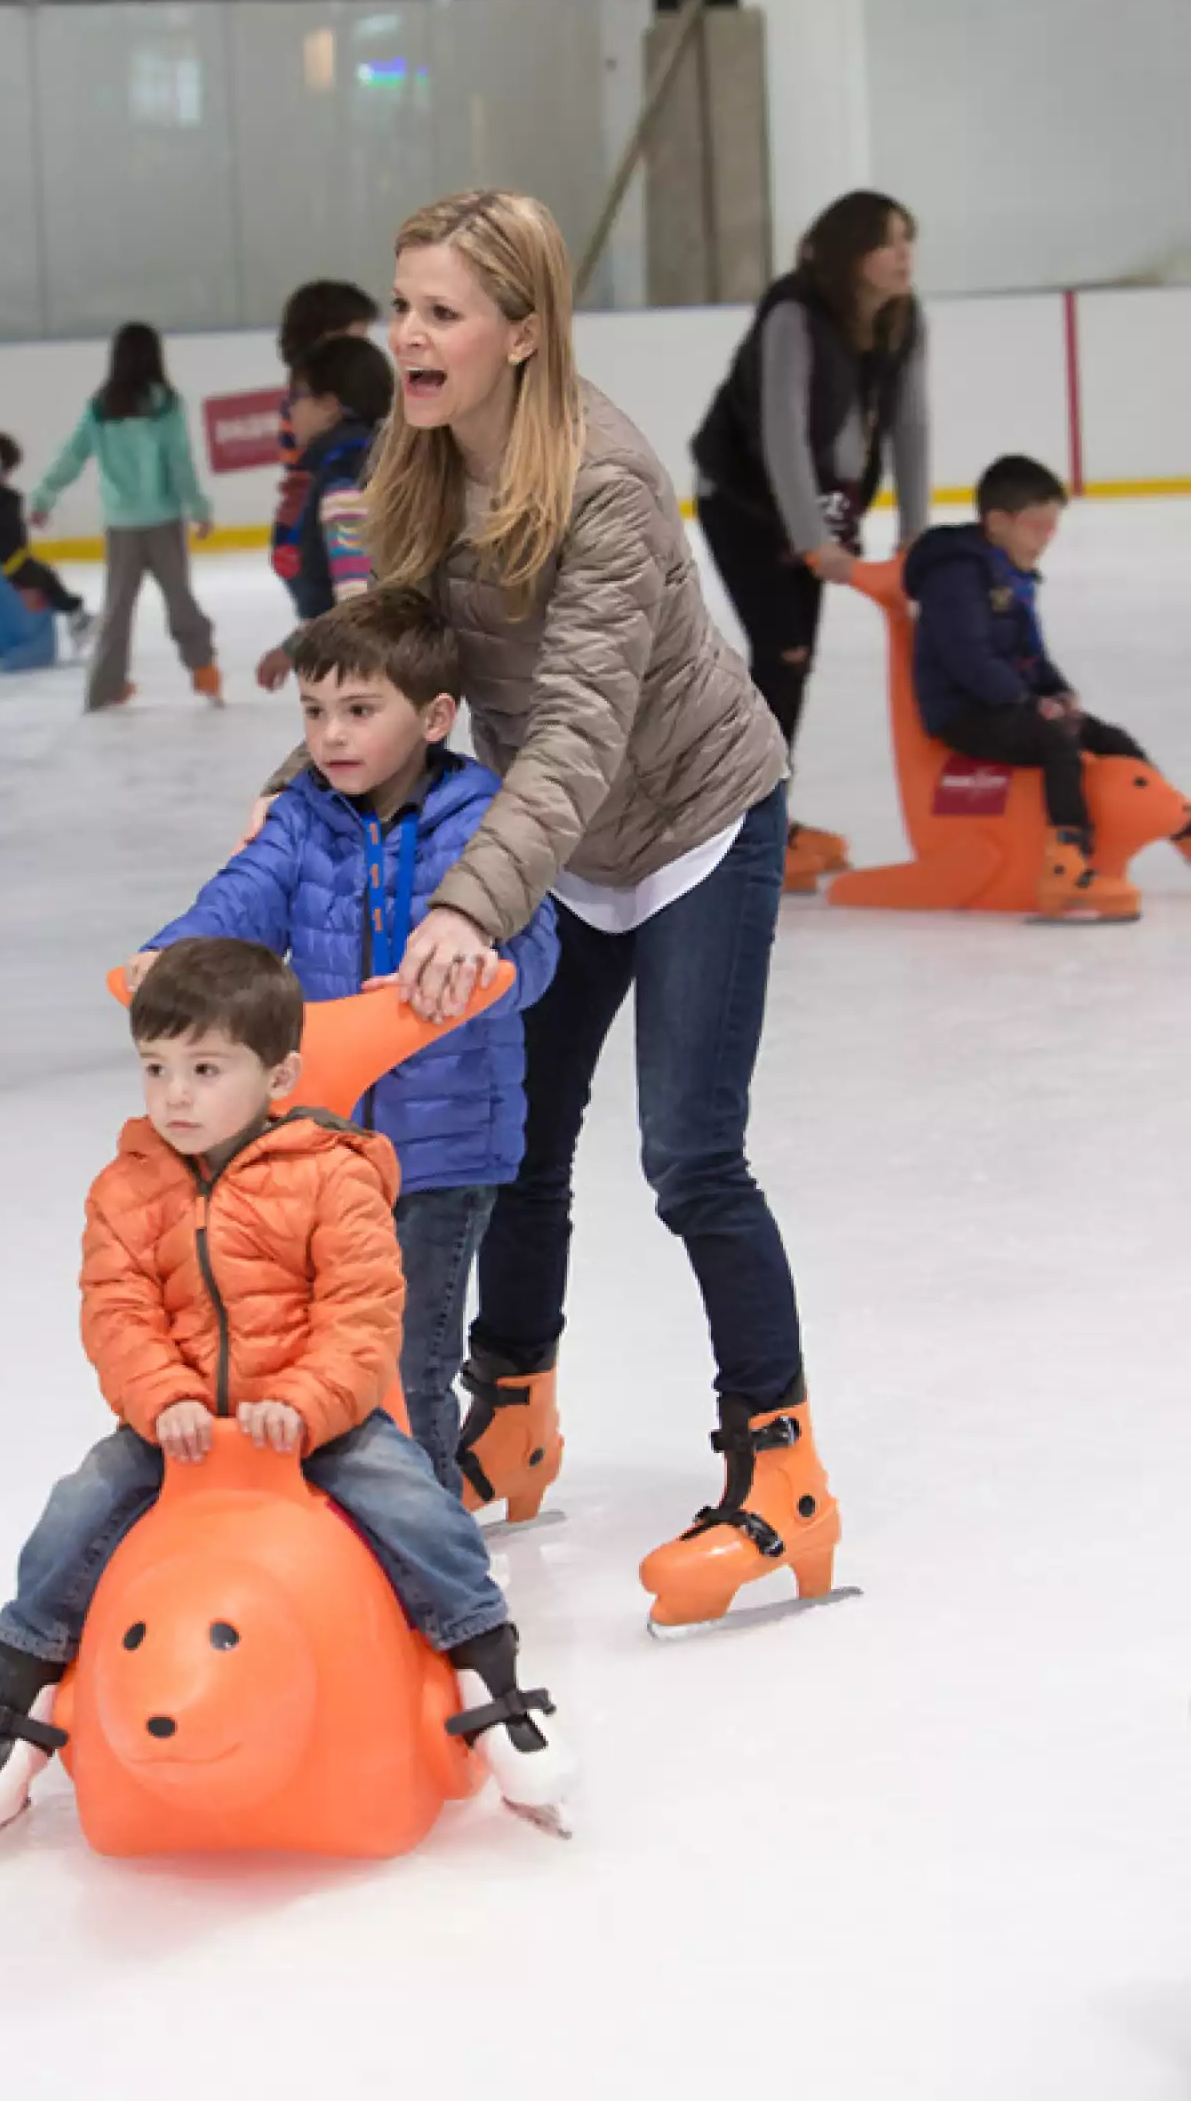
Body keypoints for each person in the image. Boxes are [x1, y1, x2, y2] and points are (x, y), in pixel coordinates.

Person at [251, 189, 839, 1630]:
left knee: (692, 1157)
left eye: (442, 312)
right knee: (521, 1144)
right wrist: (292, 797)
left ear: (524, 332)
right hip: (562, 844)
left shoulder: (608, 485)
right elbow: (388, 653)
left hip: (694, 820)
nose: (409, 336)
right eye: (402, 308)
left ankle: (783, 1482)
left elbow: (577, 727)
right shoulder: (420, 455)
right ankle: (505, 1418)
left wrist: (466, 901)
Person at [0, 937, 569, 1850]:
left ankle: (489, 1680)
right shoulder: (128, 1185)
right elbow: (117, 1309)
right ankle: (21, 1701)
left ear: (279, 1078)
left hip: (315, 1422)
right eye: (156, 1069)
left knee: (414, 1501)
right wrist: (161, 1402)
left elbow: (362, 1311)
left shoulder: (333, 1174)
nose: (175, 1096)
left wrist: (310, 1402)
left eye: (204, 1069)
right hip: (181, 1429)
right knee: (78, 1505)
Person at [126, 589, 559, 1489]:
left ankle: (436, 1563)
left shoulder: (482, 820)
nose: (331, 736)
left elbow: (535, 946)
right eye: (315, 712)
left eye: (360, 711)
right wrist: (175, 950)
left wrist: (487, 968)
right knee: (316, 1353)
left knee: (406, 1367)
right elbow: (242, 895)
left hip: (444, 1155)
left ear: (436, 717)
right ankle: (340, 1533)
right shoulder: (304, 816)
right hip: (319, 1152)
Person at [693, 189, 930, 891]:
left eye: (908, 240)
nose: (903, 256)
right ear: (853, 252)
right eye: (890, 241)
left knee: (793, 664)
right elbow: (781, 431)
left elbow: (910, 426)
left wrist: (914, 535)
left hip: (819, 505)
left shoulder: (901, 320)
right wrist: (810, 539)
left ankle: (763, 811)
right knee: (785, 654)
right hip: (743, 502)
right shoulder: (795, 313)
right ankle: (743, 820)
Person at [905, 454, 1191, 916]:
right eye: (1038, 527)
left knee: (1107, 738)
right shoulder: (954, 576)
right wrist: (1027, 703)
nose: (1045, 541)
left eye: (1051, 530)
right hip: (964, 712)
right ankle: (1066, 861)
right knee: (1058, 742)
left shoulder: (1008, 572)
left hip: (1007, 703)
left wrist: (1056, 691)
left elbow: (1028, 653)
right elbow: (969, 659)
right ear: (998, 522)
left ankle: (1182, 828)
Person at [29, 323, 219, 711]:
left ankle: (103, 688)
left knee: (116, 609)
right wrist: (198, 509)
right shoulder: (166, 403)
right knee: (180, 599)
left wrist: (44, 496)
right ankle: (203, 671)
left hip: (121, 525)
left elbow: (72, 455)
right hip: (163, 520)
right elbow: (179, 463)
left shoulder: (101, 406)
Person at [257, 279, 378, 691]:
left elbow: (355, 600)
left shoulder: (347, 470)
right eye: (351, 338)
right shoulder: (327, 449)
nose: (363, 351)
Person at [267, 334, 392, 629]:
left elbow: (359, 605)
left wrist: (346, 665)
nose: (289, 411)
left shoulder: (345, 478)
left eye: (296, 397)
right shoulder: (353, 462)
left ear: (328, 405)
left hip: (354, 658)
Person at [0, 433, 93, 648]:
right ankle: (76, 614)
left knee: (39, 572)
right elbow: (13, 542)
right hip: (11, 567)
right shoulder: (9, 498)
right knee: (46, 576)